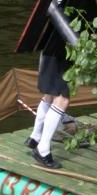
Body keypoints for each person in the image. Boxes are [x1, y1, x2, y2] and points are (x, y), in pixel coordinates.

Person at [24, 31, 71, 169]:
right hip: (61, 48)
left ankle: (35, 137)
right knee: (62, 99)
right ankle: (42, 150)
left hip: (51, 45)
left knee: (50, 94)